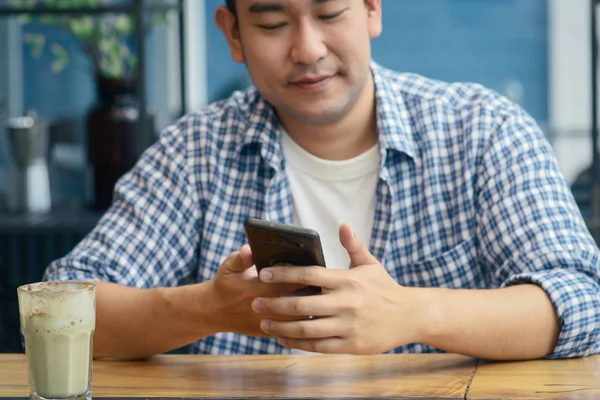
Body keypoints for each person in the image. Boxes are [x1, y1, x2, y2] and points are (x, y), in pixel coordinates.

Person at [44, 0, 600, 361]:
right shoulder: (196, 151)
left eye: (330, 13)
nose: (308, 49)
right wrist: (208, 307)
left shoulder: (482, 131)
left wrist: (411, 313)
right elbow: (59, 310)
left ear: (372, 10)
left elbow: (584, 302)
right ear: (232, 34)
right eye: (271, 23)